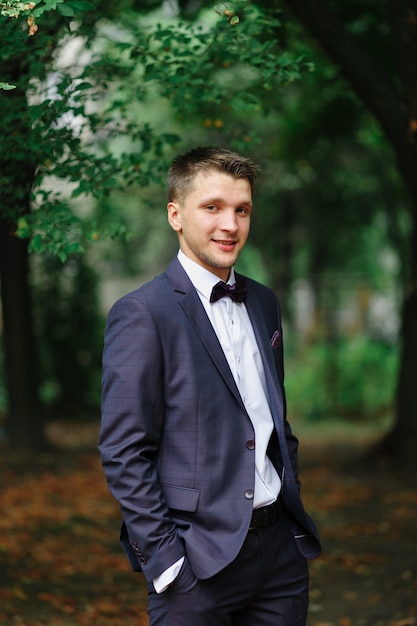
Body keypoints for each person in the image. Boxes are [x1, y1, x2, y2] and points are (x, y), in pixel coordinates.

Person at [99, 146, 321, 626]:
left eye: (242, 210)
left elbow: (271, 421)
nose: (231, 225)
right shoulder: (142, 313)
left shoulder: (264, 302)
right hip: (196, 565)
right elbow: (123, 450)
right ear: (175, 215)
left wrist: (290, 504)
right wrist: (167, 564)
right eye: (213, 207)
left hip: (280, 557)